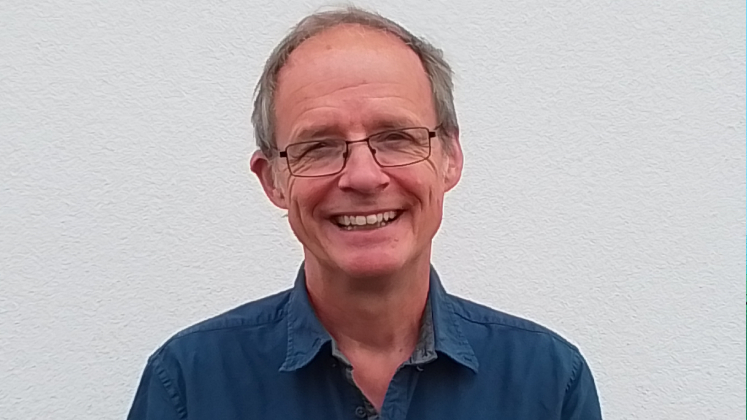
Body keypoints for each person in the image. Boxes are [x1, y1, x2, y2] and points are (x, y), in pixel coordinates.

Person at [128, 6, 602, 420]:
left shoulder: (549, 383)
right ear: (272, 178)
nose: (363, 176)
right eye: (319, 146)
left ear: (450, 158)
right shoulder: (188, 383)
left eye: (397, 137)